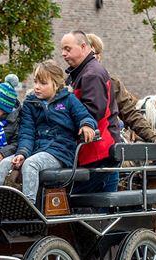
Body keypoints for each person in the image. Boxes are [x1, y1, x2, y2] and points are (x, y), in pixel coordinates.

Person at [0, 60, 97, 204]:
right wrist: (22, 153)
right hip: (37, 149)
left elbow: (85, 116)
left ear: (56, 85)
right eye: (36, 82)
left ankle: (29, 206)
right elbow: (27, 132)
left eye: (43, 83)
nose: (37, 87)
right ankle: (4, 205)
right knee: (5, 164)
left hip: (60, 151)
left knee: (31, 164)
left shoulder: (69, 100)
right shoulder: (30, 103)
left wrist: (87, 125)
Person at [61, 30, 122, 193]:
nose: (63, 54)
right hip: (98, 151)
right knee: (98, 210)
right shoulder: (81, 72)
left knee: (72, 199)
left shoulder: (91, 74)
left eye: (67, 49)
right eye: (62, 50)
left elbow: (93, 112)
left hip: (98, 152)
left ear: (83, 47)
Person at [86, 33, 156, 147]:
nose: (94, 57)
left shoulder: (111, 83)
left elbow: (130, 112)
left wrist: (153, 137)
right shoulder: (70, 82)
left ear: (99, 56)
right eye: (90, 53)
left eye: (96, 53)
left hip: (102, 145)